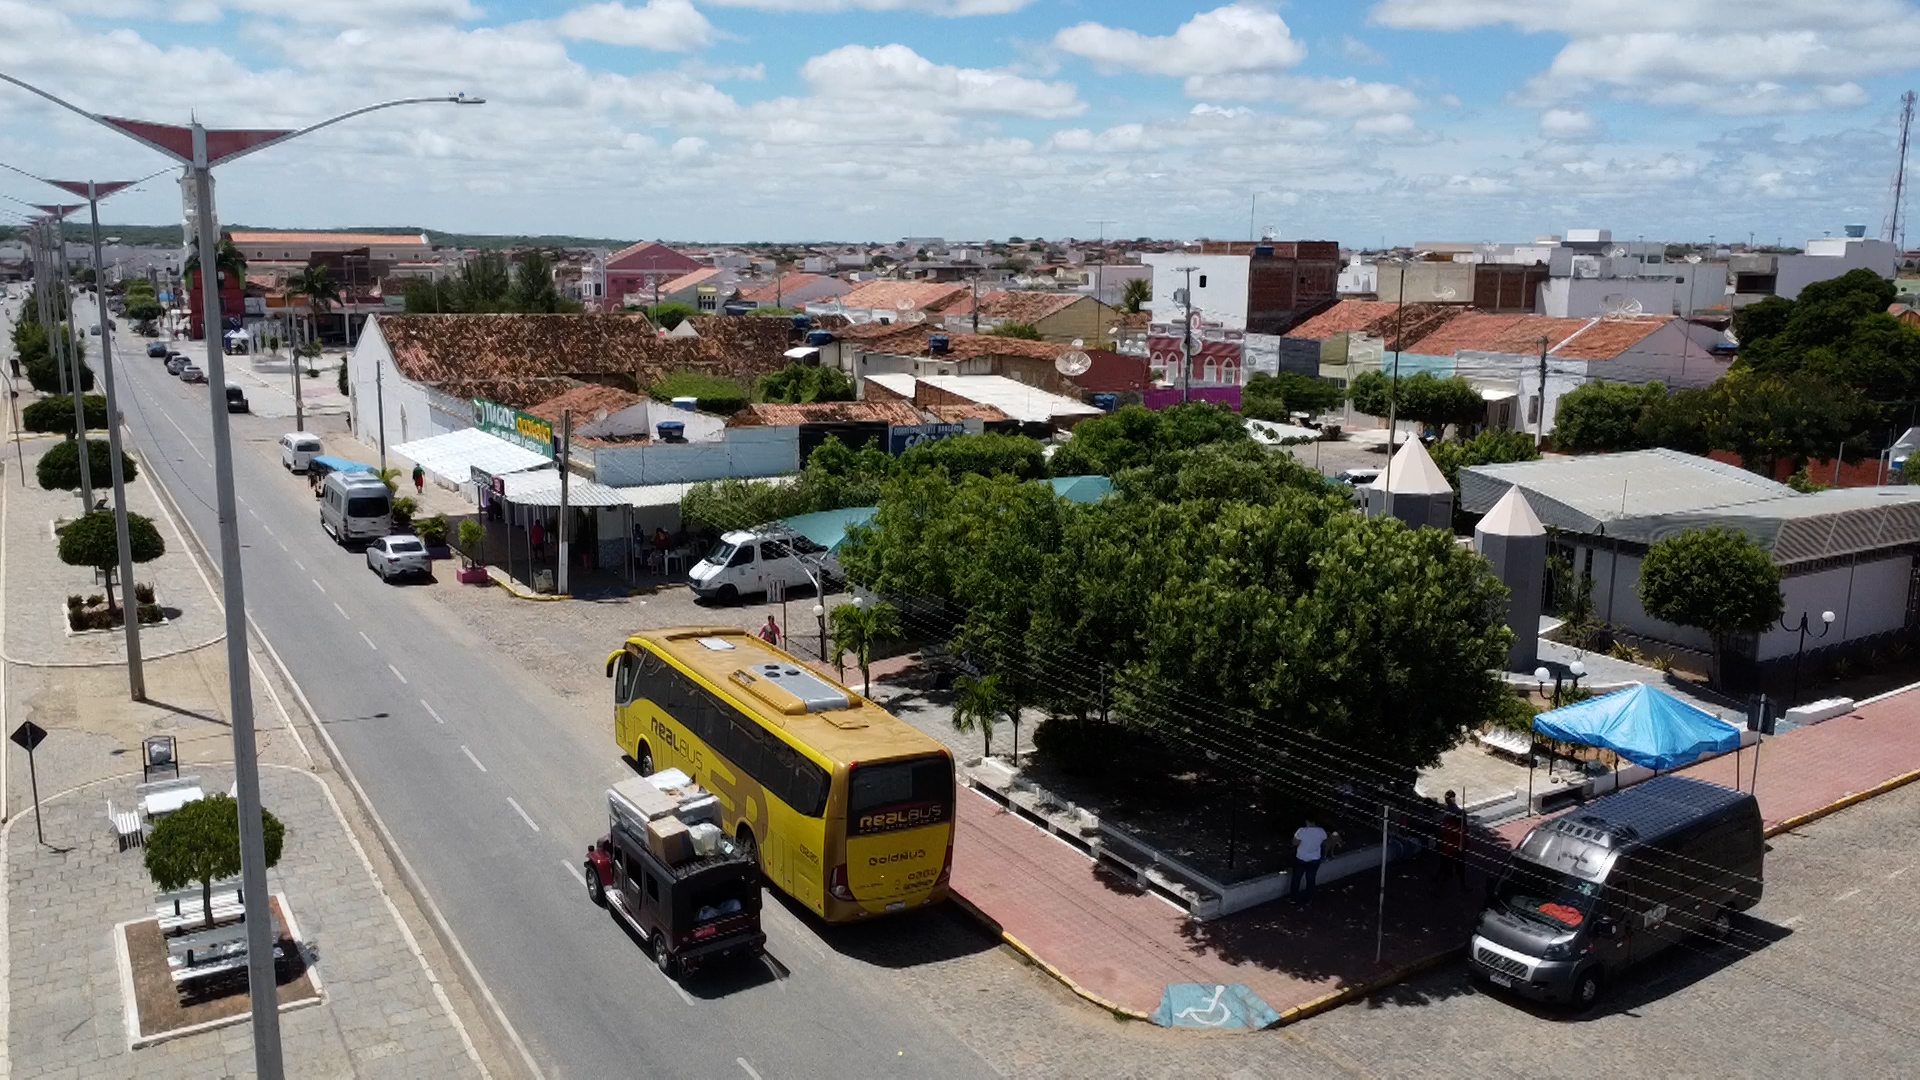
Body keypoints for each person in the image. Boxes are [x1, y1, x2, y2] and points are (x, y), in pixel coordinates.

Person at [1290, 816, 1328, 902]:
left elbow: (1295, 843)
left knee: (1296, 878)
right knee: (1311, 878)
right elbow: (1324, 840)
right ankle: (1309, 899)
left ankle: (1293, 898)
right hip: (1315, 858)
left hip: (1301, 858)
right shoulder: (1321, 831)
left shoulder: (1301, 831)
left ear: (1307, 821)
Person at [1435, 790, 1468, 888]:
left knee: (1456, 868)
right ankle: (1439, 887)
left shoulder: (1454, 823)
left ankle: (1461, 884)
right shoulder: (1451, 823)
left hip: (1452, 849)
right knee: (1447, 869)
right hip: (1450, 849)